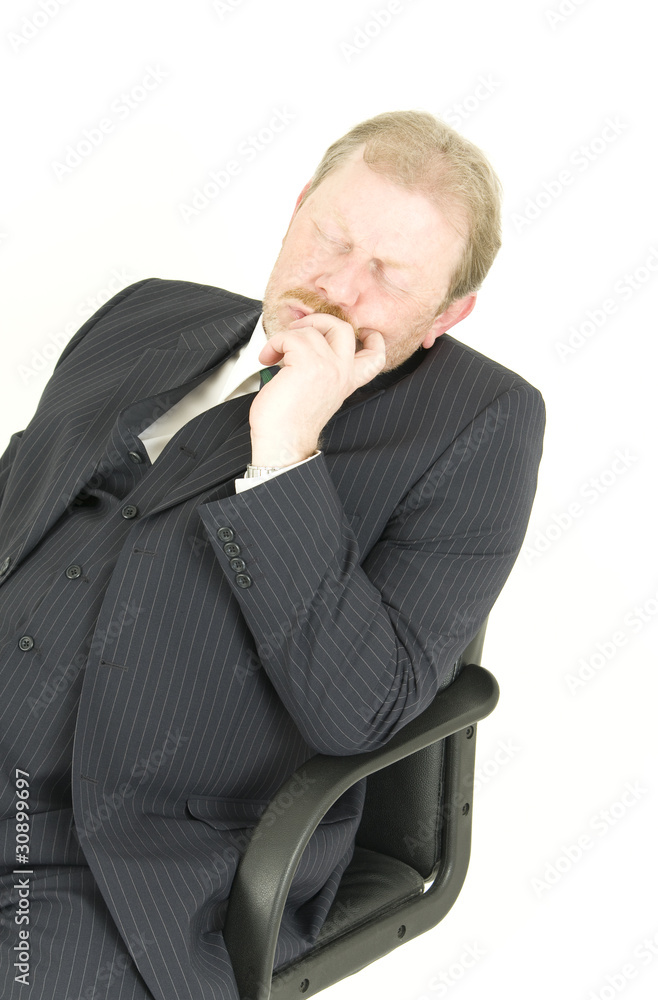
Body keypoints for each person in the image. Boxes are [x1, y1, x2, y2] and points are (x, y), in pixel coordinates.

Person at [0, 110, 545, 999]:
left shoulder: (478, 425)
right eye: (331, 238)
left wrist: (286, 453)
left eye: (389, 276)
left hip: (121, 852)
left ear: (447, 315)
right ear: (296, 210)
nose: (338, 289)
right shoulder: (148, 314)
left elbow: (361, 713)